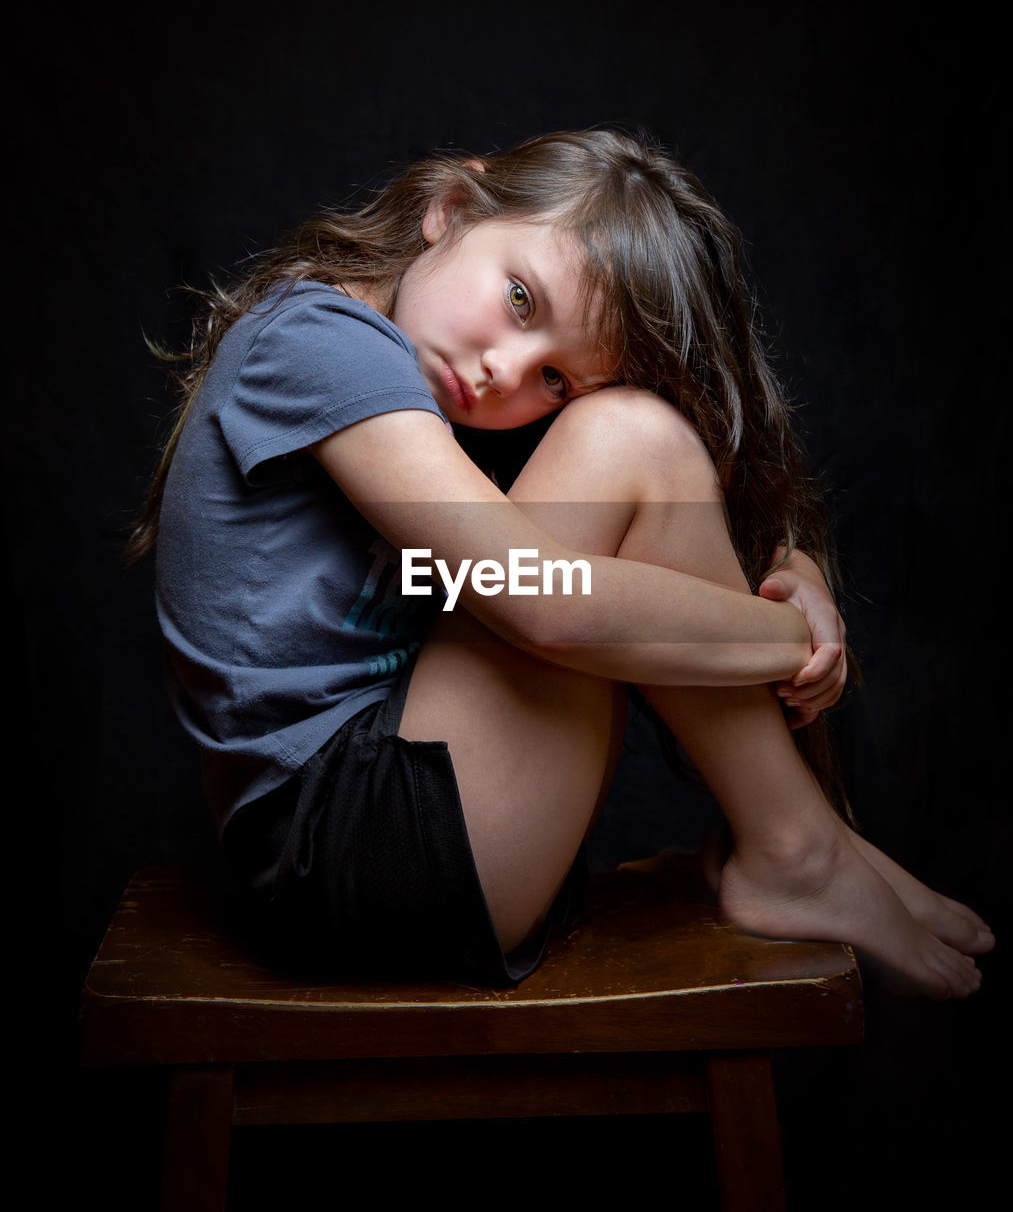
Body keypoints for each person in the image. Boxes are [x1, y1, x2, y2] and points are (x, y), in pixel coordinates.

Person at [133, 127, 992, 997]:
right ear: (451, 209)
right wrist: (788, 634)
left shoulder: (432, 387)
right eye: (518, 297)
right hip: (341, 854)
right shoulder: (321, 339)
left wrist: (787, 566)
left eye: (556, 380)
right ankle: (799, 848)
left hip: (387, 832)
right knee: (627, 437)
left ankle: (802, 844)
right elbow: (539, 599)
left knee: (635, 440)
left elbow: (665, 544)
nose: (507, 372)